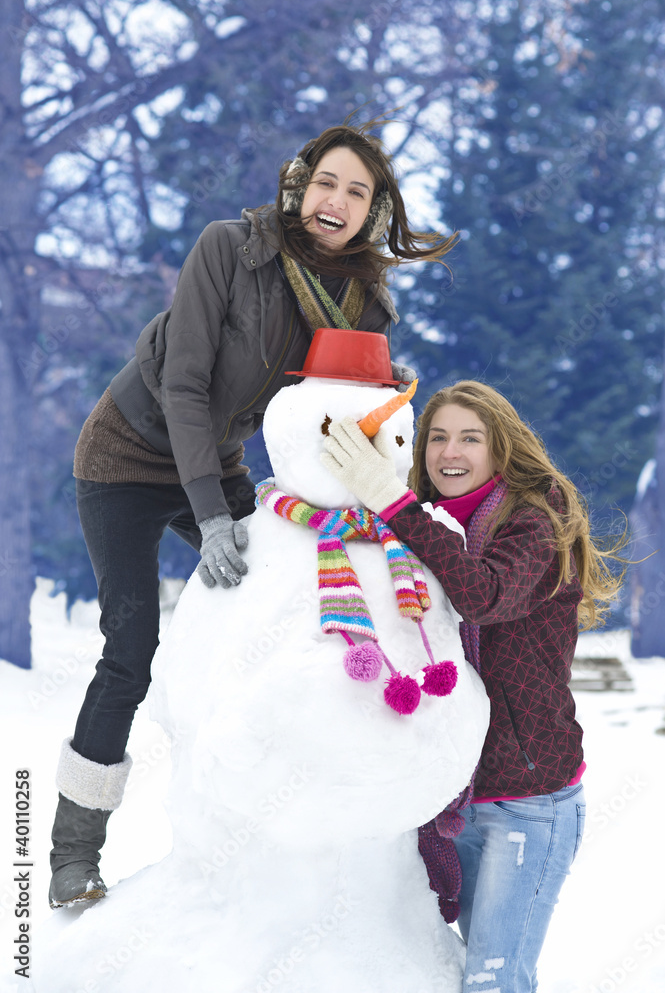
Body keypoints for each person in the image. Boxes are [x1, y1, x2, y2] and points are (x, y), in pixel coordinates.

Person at [48, 118, 459, 909]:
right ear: (299, 183)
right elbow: (186, 383)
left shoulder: (361, 294)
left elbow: (349, 403)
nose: (336, 200)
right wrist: (210, 516)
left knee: (293, 581)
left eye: (357, 190)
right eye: (326, 182)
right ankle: (73, 853)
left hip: (220, 462)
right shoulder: (227, 249)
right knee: (130, 644)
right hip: (127, 459)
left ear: (372, 209)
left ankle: (268, 805)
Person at [321, 379, 625, 993]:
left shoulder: (537, 522)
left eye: (469, 437)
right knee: (440, 969)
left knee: (494, 980)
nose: (449, 451)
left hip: (528, 799)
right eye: (437, 437)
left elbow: (483, 597)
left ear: (500, 448)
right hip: (446, 794)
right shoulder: (422, 528)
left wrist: (391, 500)